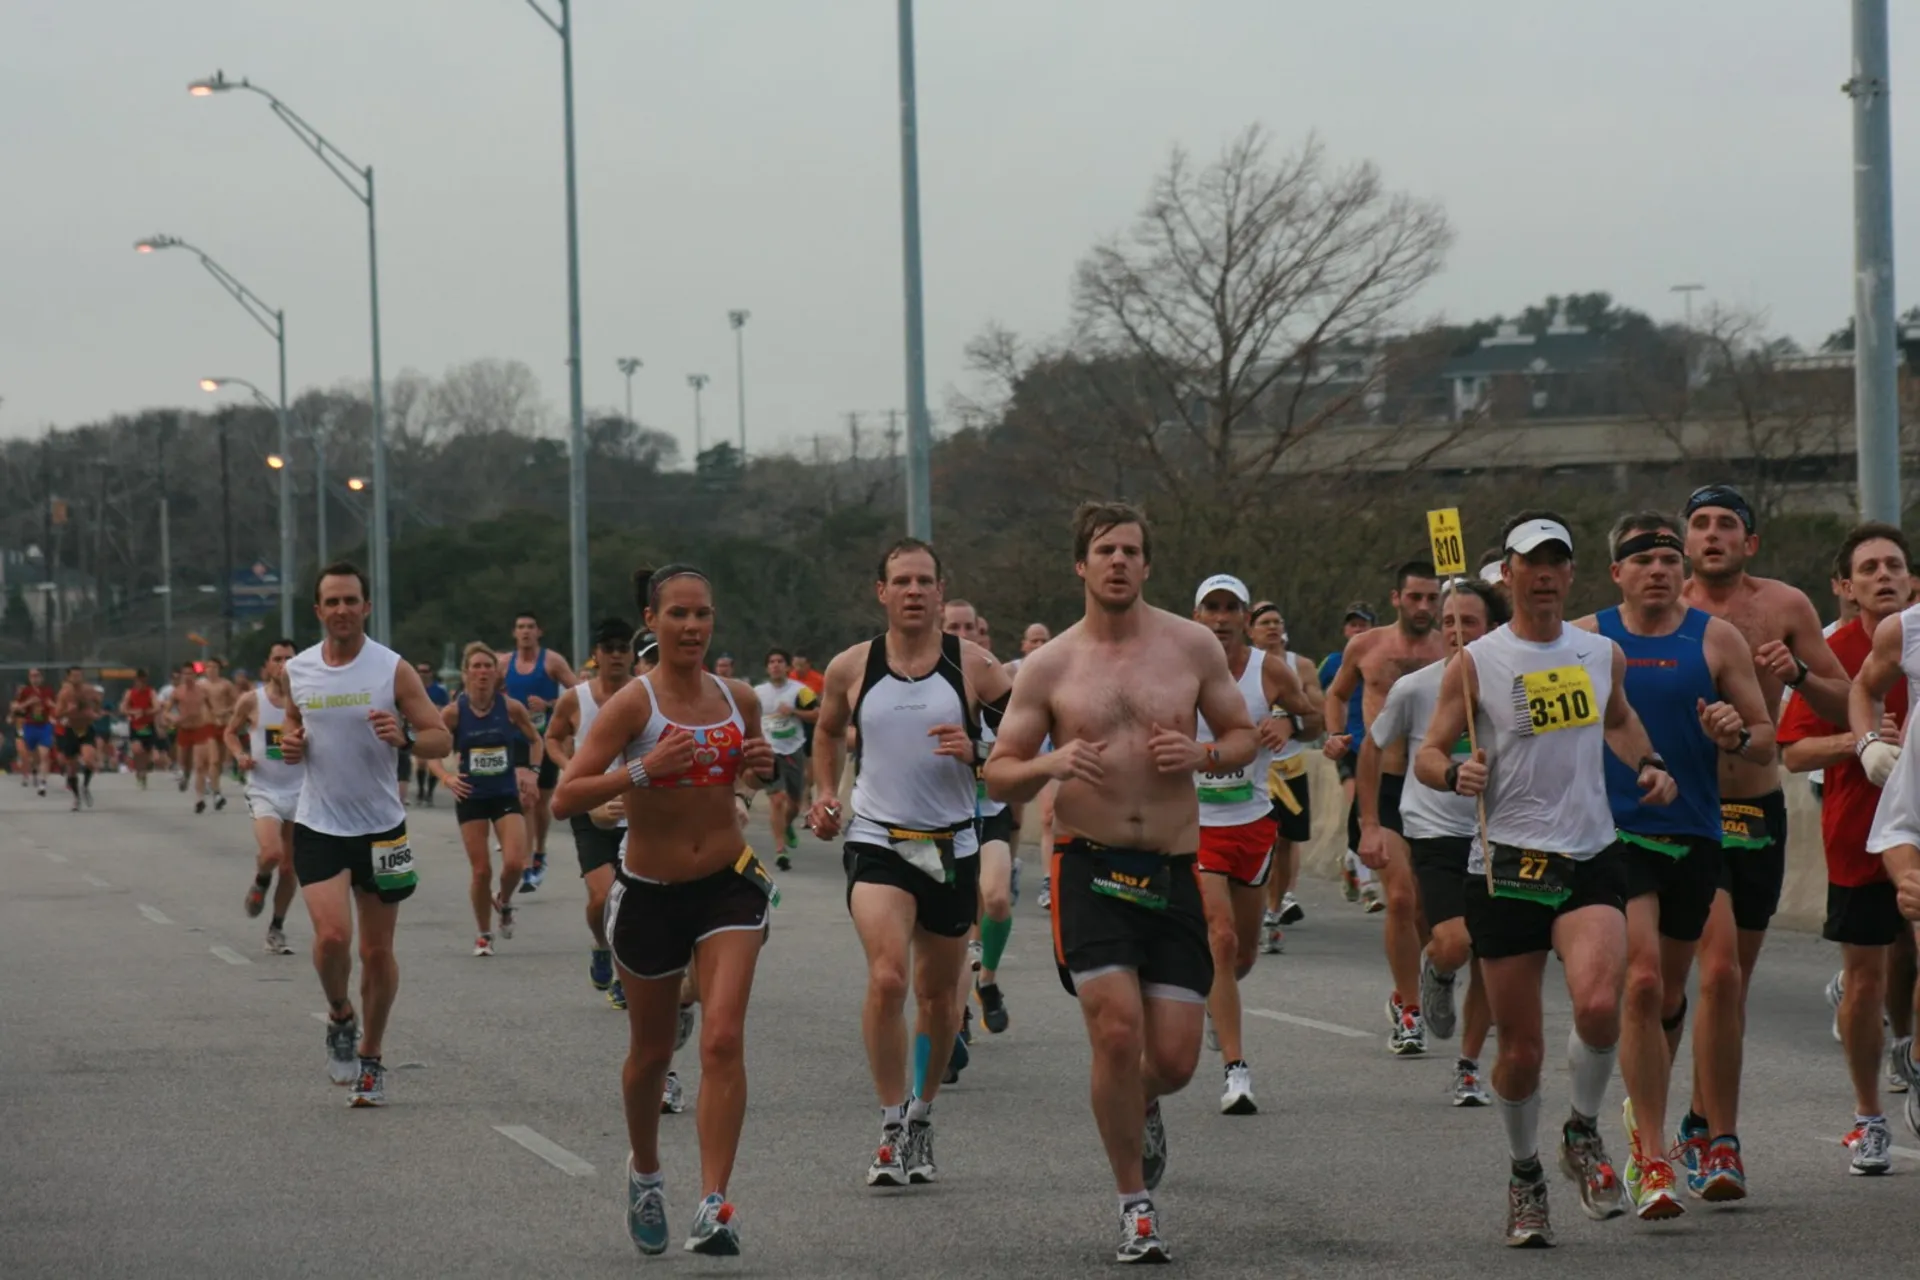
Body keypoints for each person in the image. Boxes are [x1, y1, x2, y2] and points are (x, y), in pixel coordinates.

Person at [983, 502, 1257, 1264]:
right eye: (1105, 550)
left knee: (1170, 1060)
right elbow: (998, 772)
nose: (1118, 563)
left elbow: (1240, 737)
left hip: (1171, 867)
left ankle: (1141, 1103)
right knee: (1114, 1030)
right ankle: (1135, 1204)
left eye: (1132, 551)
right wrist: (1050, 763)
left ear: (1147, 564)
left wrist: (1201, 757)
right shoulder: (1051, 665)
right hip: (1089, 865)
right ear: (1081, 564)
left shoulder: (1191, 645)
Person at [1416, 511, 1676, 1249]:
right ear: (1510, 574)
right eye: (1532, 561)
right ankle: (1525, 1173)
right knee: (1520, 1051)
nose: (1546, 574)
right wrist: (1453, 770)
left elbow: (1619, 721)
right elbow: (1431, 752)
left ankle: (1584, 1131)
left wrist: (1648, 764)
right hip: (1506, 866)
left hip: (1589, 855)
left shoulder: (1600, 654)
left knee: (1601, 1002)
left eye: (1557, 561)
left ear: (1571, 573)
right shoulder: (1476, 663)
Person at [553, 565, 776, 1257]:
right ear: (652, 621)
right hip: (648, 894)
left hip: (729, 886)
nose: (691, 627)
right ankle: (646, 1172)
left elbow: (742, 775)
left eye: (702, 614)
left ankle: (715, 1203)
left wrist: (755, 769)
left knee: (721, 1039)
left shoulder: (738, 698)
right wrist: (644, 770)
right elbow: (567, 796)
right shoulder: (633, 705)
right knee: (650, 1055)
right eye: (677, 614)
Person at [1574, 513, 1774, 1215]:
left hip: (1695, 832)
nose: (1656, 568)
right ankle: (1652, 1157)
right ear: (1615, 573)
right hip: (1617, 834)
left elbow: (1765, 745)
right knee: (1642, 981)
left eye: (1667, 557)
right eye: (1640, 558)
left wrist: (1736, 730)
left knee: (1698, 984)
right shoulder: (1588, 639)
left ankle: (1718, 1139)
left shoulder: (1714, 638)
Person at [808, 540, 1012, 1191]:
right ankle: (892, 1121)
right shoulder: (851, 666)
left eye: (926, 580)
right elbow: (824, 731)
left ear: (942, 591)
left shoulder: (978, 668)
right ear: (882, 591)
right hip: (877, 838)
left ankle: (923, 1113)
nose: (915, 591)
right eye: (903, 580)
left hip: (951, 845)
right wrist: (823, 793)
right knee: (889, 976)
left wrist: (978, 751)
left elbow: (1022, 746)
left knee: (936, 997)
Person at [1675, 483, 1850, 1195]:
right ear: (1684, 541)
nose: (1712, 534)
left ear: (1750, 542)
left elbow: (1848, 701)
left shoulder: (1785, 607)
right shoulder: (1661, 608)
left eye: (1727, 525)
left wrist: (1799, 675)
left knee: (1731, 988)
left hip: (1755, 812)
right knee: (1714, 975)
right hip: (1684, 815)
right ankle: (1723, 1142)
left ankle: (1695, 1115)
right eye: (1700, 524)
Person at [279, 562, 453, 1107]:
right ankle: (339, 1014)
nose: (342, 610)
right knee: (333, 938)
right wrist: (289, 743)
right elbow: (290, 724)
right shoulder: (300, 670)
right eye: (332, 602)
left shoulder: (392, 669)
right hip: (319, 822)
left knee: (378, 953)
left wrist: (404, 737)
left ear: (366, 607)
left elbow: (440, 739)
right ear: (318, 611)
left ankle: (372, 1057)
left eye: (351, 600)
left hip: (382, 826)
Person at [1793, 523, 1920, 1170]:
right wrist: (1859, 743)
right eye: (1868, 568)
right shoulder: (1832, 653)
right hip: (1857, 835)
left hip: (1917, 833)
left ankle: (1910, 1054)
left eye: (1894, 565)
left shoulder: (1918, 635)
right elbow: (1790, 752)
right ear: (1845, 586)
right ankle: (1869, 1117)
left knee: (1910, 960)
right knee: (1870, 979)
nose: (1884, 577)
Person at [1361, 578, 1506, 1106]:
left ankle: (1468, 1067)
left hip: (1498, 832)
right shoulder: (1416, 687)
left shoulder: (1515, 682)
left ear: (1491, 627)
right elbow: (1373, 748)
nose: (1456, 632)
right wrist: (1369, 822)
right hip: (1435, 831)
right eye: (1448, 622)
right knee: (1456, 943)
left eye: (1468, 622)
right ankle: (1437, 969)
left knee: (1494, 950)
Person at [1191, 575, 1318, 1114]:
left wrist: (1288, 721)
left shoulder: (1268, 669)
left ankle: (1216, 1003)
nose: (1220, 619)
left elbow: (1316, 717)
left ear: (1244, 617)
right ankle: (1236, 1072)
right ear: (1195, 615)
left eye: (1230, 609)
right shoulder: (1178, 665)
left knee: (1241, 954)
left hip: (1254, 823)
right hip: (1196, 826)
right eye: (1210, 608)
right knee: (1218, 940)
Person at [1342, 562, 1448, 1050]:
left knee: (1428, 911)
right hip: (1383, 785)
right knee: (1401, 897)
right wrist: (1334, 734)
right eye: (1415, 597)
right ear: (1396, 598)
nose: (1424, 607)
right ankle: (1408, 1009)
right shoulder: (1367, 646)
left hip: (1432, 788)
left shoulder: (1456, 650)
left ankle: (1429, 979)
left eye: (1433, 598)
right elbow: (1337, 693)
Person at [546, 617, 640, 1009]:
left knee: (630, 900)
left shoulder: (643, 695)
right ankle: (602, 946)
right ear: (596, 655)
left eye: (623, 648)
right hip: (590, 807)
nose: (617, 655)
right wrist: (570, 771)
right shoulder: (576, 698)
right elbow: (552, 737)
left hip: (634, 808)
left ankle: (624, 976)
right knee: (602, 898)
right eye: (609, 648)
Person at [432, 643, 544, 957]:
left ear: (497, 674)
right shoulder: (454, 712)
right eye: (477, 667)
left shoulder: (510, 708)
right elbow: (431, 752)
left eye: (488, 667)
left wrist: (533, 773)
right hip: (472, 796)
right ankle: (483, 934)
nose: (482, 672)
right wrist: (447, 777)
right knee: (481, 870)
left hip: (505, 793)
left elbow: (536, 740)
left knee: (514, 863)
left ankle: (504, 902)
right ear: (466, 673)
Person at [1248, 602, 1323, 948]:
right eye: (1264, 622)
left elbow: (1316, 716)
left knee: (1286, 841)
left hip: (1290, 767)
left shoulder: (1301, 666)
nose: (1272, 628)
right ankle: (1262, 907)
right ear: (1250, 630)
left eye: (1277, 621)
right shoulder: (1241, 664)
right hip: (1253, 769)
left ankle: (1275, 908)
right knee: (1264, 842)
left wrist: (1290, 724)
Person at [226, 639, 305, 956]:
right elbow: (230, 732)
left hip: (300, 791)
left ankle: (276, 927)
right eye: (278, 659)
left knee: (290, 869)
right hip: (264, 789)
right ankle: (260, 880)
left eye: (289, 658)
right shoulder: (252, 700)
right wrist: (240, 755)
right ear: (268, 665)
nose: (283, 664)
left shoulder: (306, 700)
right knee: (271, 853)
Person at [502, 611, 578, 893]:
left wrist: (548, 704)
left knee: (540, 802)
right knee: (526, 800)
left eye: (530, 627)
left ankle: (540, 853)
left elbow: (579, 692)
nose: (525, 632)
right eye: (520, 627)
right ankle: (525, 864)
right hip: (515, 740)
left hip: (545, 740)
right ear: (514, 633)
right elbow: (486, 694)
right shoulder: (504, 664)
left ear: (539, 632)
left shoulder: (552, 661)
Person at [1320, 603, 1381, 907]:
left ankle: (1350, 861)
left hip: (1379, 746)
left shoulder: (1383, 659)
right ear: (1345, 630)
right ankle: (1369, 886)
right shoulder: (1332, 663)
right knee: (1360, 806)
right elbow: (1313, 697)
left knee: (1369, 811)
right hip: (1348, 745)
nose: (1358, 630)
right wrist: (1329, 732)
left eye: (1363, 624)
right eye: (1353, 625)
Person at [754, 649, 819, 870]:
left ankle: (787, 825)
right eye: (771, 662)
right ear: (766, 667)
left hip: (794, 748)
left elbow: (817, 714)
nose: (775, 665)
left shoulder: (801, 691)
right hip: (769, 751)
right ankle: (780, 850)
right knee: (777, 799)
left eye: (780, 661)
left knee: (795, 802)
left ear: (788, 666)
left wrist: (793, 712)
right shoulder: (758, 692)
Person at [52, 666, 102, 811]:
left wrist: (95, 712)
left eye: (79, 675)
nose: (76, 678)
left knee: (89, 760)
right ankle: (76, 797)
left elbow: (98, 706)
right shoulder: (64, 693)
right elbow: (57, 714)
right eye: (73, 676)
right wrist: (69, 710)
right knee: (72, 767)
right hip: (71, 730)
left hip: (86, 729)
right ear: (68, 677)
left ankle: (85, 786)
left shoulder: (88, 690)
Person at [200, 657, 238, 809]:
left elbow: (237, 702)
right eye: (209, 667)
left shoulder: (226, 685)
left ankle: (212, 781)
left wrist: (226, 711)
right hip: (208, 725)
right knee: (214, 760)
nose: (212, 670)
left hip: (224, 725)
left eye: (215, 667)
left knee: (221, 761)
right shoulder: (201, 685)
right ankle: (217, 794)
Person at [11, 667, 56, 795]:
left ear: (41, 677)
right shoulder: (25, 691)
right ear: (29, 678)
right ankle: (35, 770)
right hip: (29, 726)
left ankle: (43, 783)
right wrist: (28, 702)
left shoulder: (48, 691)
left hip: (44, 726)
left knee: (44, 754)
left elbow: (56, 706)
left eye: (37, 676)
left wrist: (51, 705)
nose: (35, 678)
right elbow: (15, 707)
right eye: (32, 676)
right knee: (33, 756)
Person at [415, 661, 451, 805]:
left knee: (434, 763)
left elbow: (446, 708)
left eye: (425, 671)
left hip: (435, 728)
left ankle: (429, 793)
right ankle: (420, 790)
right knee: (420, 763)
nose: (423, 674)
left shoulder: (439, 691)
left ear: (431, 673)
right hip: (418, 728)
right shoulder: (413, 688)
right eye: (420, 671)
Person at [120, 669, 160, 790]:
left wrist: (145, 712)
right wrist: (132, 712)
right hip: (135, 726)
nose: (141, 683)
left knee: (147, 755)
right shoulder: (130, 693)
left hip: (148, 726)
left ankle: (143, 773)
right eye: (139, 680)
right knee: (137, 750)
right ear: (135, 680)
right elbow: (123, 708)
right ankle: (139, 772)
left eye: (144, 680)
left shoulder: (150, 692)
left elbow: (157, 707)